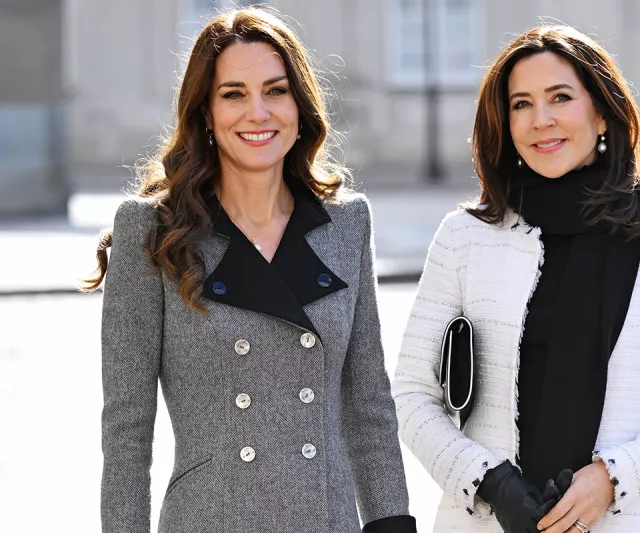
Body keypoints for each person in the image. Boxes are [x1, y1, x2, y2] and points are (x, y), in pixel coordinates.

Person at [83, 8, 416, 533]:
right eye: (233, 94)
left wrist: (392, 523)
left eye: (276, 91)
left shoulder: (347, 224)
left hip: (327, 520)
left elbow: (368, 403)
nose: (257, 112)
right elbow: (126, 430)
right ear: (206, 114)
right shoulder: (152, 232)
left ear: (300, 105)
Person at [392, 24, 640, 533]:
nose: (540, 120)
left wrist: (612, 480)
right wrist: (490, 482)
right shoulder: (465, 236)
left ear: (601, 112)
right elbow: (413, 397)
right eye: (521, 104)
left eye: (560, 97)